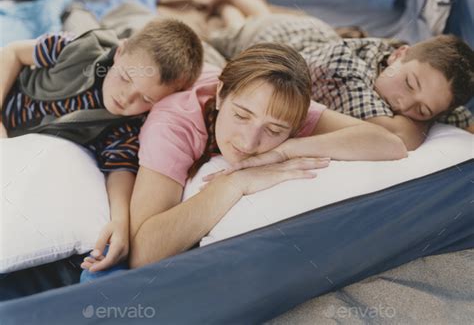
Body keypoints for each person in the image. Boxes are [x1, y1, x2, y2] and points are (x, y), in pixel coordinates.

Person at [80, 42, 407, 272]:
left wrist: (285, 150)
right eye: (241, 115)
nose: (250, 142)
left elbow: (389, 144)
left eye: (275, 129)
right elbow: (144, 252)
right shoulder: (173, 123)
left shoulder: (281, 107)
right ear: (222, 95)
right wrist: (233, 184)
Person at [145, 0, 474, 150]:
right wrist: (423, 119)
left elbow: (462, 119)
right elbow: (395, 137)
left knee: (250, 19)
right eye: (410, 83)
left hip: (317, 37)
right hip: (287, 40)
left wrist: (435, 113)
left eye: (423, 110)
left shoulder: (423, 89)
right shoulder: (347, 71)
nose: (404, 104)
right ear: (399, 54)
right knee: (234, 33)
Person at [0, 18, 204, 273]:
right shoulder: (79, 47)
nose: (126, 97)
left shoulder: (125, 127)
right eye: (126, 77)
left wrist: (120, 221)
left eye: (146, 98)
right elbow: (11, 53)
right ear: (120, 51)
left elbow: (119, 171)